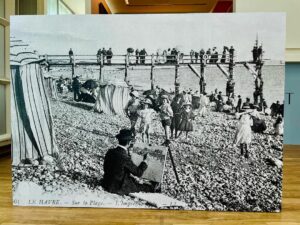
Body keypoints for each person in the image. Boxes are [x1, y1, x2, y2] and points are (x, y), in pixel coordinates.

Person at [102, 129, 155, 195]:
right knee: (149, 187)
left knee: (135, 182)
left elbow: (107, 167)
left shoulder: (110, 151)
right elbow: (138, 173)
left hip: (106, 183)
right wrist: (145, 162)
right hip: (118, 187)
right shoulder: (124, 157)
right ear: (129, 143)